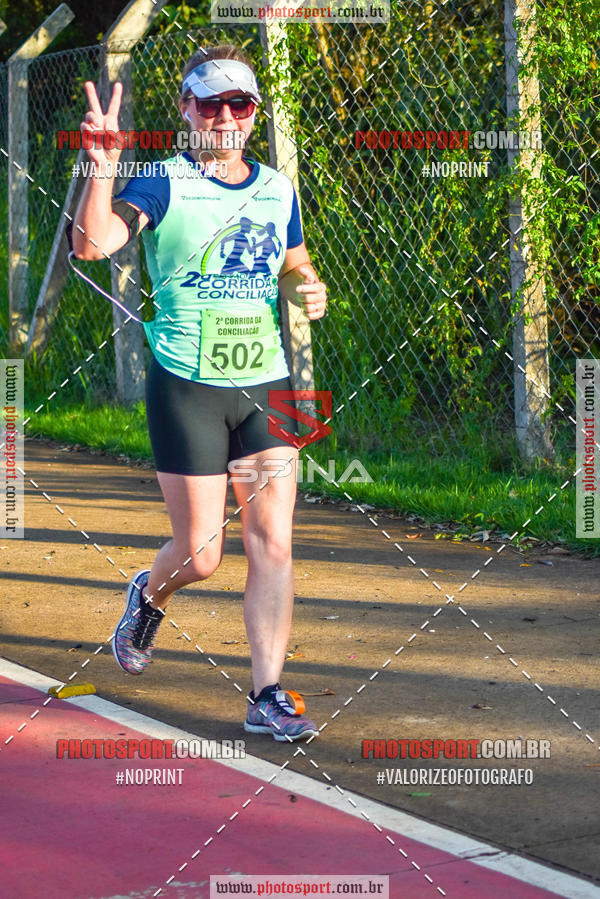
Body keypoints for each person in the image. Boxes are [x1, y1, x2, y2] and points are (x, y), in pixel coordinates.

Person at [72, 45, 328, 742]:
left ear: (253, 114)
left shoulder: (277, 187)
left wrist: (308, 286)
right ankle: (148, 594)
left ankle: (266, 693)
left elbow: (295, 261)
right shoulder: (162, 182)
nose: (223, 117)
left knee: (273, 540)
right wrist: (100, 171)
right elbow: (94, 245)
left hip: (266, 383)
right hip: (187, 384)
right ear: (186, 110)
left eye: (237, 104)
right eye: (208, 103)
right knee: (204, 553)